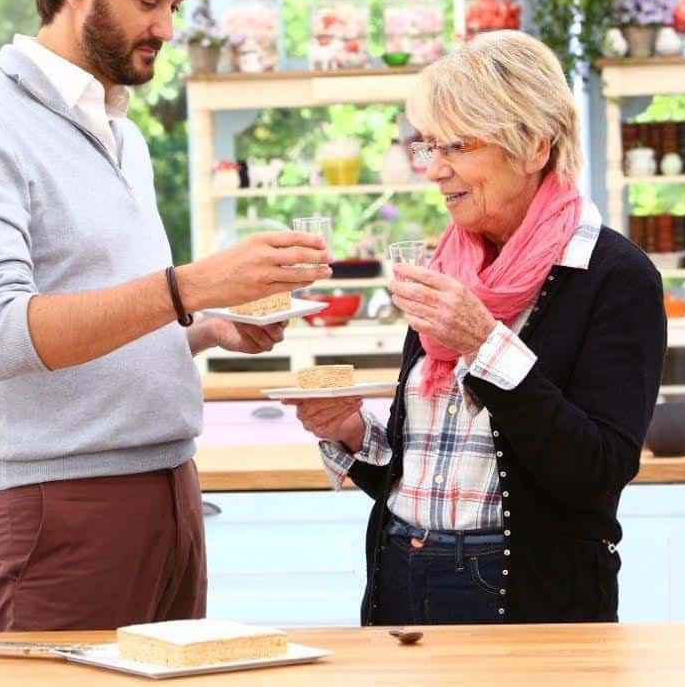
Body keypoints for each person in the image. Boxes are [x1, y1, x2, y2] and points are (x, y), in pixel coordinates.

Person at [0, 0, 331, 631]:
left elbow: (102, 306)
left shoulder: (122, 134)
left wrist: (203, 327)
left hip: (168, 490)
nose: (166, 26)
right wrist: (191, 285)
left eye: (175, 4)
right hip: (63, 511)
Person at [285, 31, 665, 625]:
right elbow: (419, 473)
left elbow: (597, 473)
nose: (435, 170)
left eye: (458, 145)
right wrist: (352, 431)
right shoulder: (451, 264)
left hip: (527, 593)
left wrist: (485, 344)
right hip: (400, 574)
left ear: (535, 145)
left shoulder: (616, 277)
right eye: (430, 145)